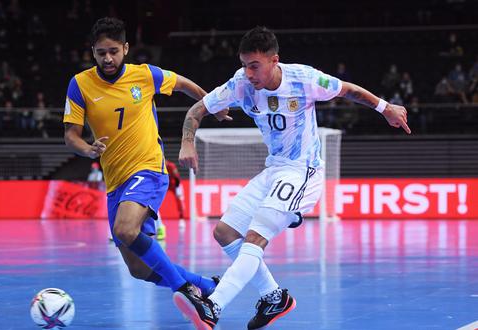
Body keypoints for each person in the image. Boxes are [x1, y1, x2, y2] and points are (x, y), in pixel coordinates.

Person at [173, 26, 411, 329]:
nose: (248, 73)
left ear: (274, 60)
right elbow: (196, 110)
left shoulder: (304, 79)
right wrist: (187, 141)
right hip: (274, 169)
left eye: (254, 65)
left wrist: (385, 108)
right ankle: (274, 298)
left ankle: (213, 307)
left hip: (304, 170)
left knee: (255, 238)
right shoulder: (240, 83)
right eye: (245, 64)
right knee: (224, 232)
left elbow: (348, 90)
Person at [63, 17, 226, 302]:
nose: (108, 58)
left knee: (124, 229)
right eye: (101, 53)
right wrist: (86, 149)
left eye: (113, 51)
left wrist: (212, 105)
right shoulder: (80, 85)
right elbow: (70, 136)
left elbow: (185, 85)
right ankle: (206, 285)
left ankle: (185, 290)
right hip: (115, 180)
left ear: (125, 48)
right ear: (93, 52)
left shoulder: (146, 75)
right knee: (138, 268)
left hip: (148, 167)